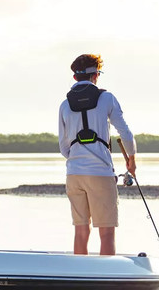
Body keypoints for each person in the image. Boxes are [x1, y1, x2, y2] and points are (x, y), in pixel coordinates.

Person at [57, 53, 136, 256]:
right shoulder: (107, 98)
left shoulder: (64, 105)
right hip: (100, 172)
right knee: (106, 233)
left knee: (81, 230)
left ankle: (80, 275)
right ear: (96, 76)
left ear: (75, 77)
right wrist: (132, 160)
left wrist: (78, 159)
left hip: (74, 173)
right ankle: (106, 278)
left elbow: (63, 147)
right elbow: (125, 133)